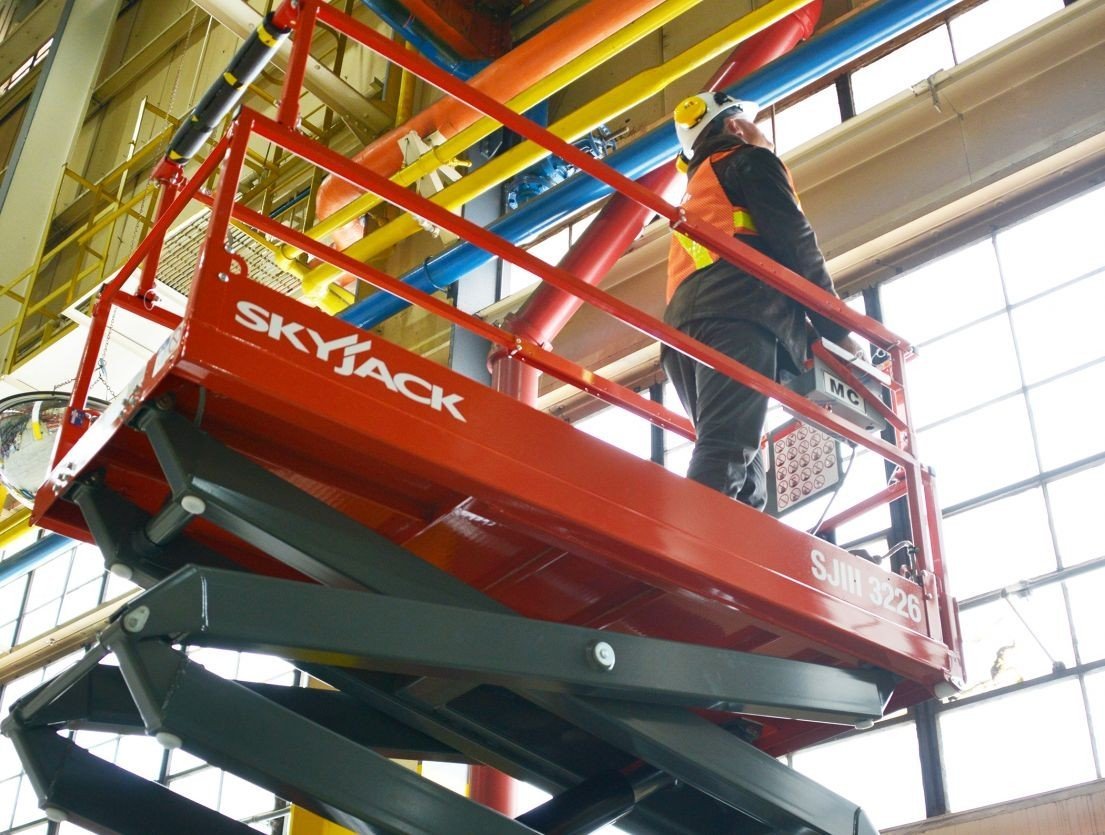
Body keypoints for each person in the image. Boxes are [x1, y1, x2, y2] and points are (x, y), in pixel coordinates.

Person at [663, 91, 863, 509]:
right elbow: (795, 242)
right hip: (737, 315)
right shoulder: (749, 160)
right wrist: (838, 330)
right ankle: (689, 545)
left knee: (743, 463)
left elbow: (751, 251)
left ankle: (735, 541)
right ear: (735, 127)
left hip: (684, 331)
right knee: (727, 446)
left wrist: (806, 335)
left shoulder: (700, 188)